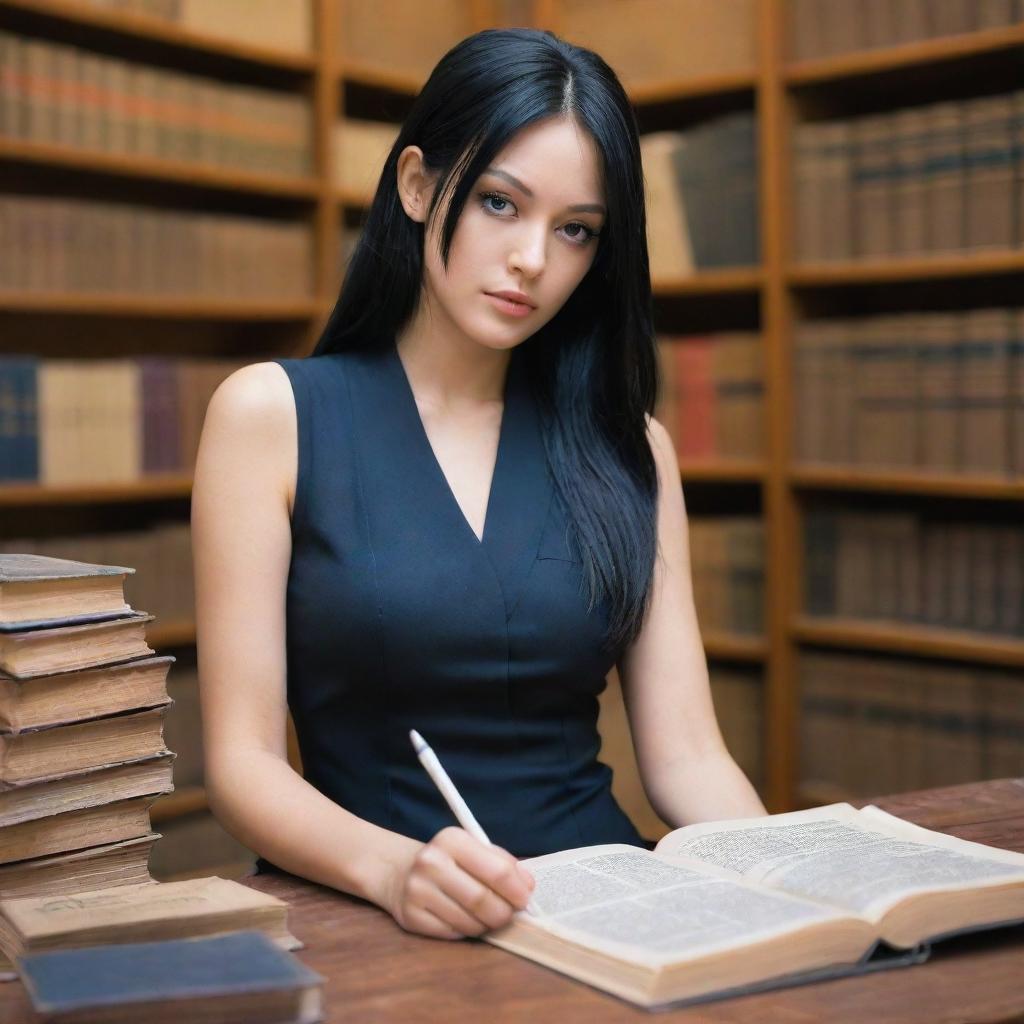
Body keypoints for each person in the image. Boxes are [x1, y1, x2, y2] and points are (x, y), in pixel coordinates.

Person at [191, 26, 766, 945]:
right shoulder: (270, 419)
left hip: (607, 917)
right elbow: (243, 765)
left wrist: (789, 887)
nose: (536, 259)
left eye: (576, 229)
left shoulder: (631, 448)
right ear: (417, 185)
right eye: (502, 202)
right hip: (379, 918)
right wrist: (395, 868)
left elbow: (690, 758)